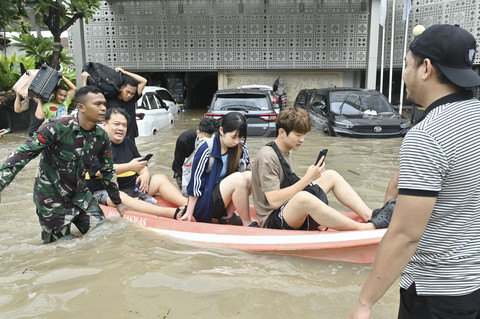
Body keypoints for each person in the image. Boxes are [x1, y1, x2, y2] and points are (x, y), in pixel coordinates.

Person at [348, 24, 480, 319]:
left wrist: (364, 302)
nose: (404, 74)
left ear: (426, 68)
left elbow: (405, 234)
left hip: (435, 294)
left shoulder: (428, 134)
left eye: (407, 65)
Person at [0, 86, 128, 243]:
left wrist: (117, 202)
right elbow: (23, 154)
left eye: (104, 104)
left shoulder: (101, 137)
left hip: (81, 196)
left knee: (104, 234)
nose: (103, 109)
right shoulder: (56, 127)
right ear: (81, 107)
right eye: (98, 104)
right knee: (62, 249)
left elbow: (108, 171)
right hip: (52, 200)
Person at [251, 107, 393, 231]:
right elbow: (274, 201)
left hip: (287, 208)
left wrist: (312, 178)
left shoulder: (287, 151)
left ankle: (370, 215)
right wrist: (308, 179)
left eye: (304, 135)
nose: (302, 140)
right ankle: (366, 228)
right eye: (298, 135)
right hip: (273, 219)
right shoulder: (267, 156)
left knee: (331, 175)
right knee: (303, 198)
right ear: (282, 132)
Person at [87, 107, 187, 219]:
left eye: (124, 125)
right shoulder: (95, 144)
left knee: (160, 178)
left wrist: (145, 174)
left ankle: (187, 204)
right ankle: (169, 212)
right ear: (104, 125)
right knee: (119, 196)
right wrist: (130, 166)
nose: (121, 128)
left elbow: (141, 163)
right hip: (104, 190)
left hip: (130, 186)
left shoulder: (128, 142)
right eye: (116, 124)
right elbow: (98, 172)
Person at [181, 112, 258, 227]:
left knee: (249, 176)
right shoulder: (206, 148)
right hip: (205, 203)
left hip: (223, 201)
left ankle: (227, 216)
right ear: (221, 130)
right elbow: (196, 182)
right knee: (238, 178)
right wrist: (189, 212)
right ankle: (247, 222)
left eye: (240, 137)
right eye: (233, 137)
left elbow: (243, 178)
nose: (236, 141)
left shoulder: (238, 148)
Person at [171, 117, 216, 189]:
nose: (203, 142)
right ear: (198, 132)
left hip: (200, 171)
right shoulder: (184, 140)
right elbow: (178, 163)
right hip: (183, 170)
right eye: (202, 139)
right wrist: (185, 184)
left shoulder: (213, 141)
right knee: (185, 193)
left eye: (207, 140)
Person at [104, 68, 147, 142]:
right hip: (113, 140)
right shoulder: (109, 101)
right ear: (121, 88)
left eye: (132, 93)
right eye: (127, 92)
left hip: (130, 139)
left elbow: (143, 81)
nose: (129, 95)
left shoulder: (132, 99)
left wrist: (124, 72)